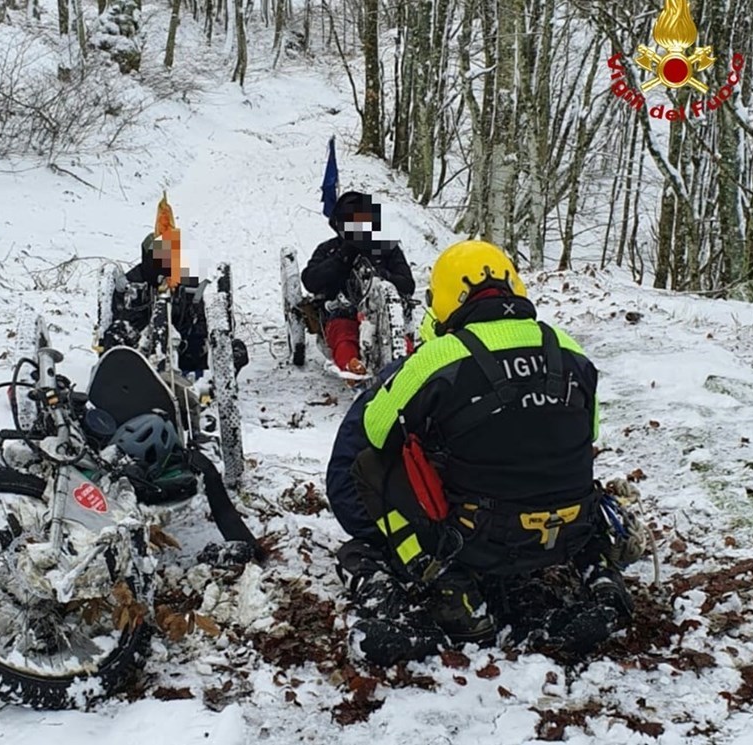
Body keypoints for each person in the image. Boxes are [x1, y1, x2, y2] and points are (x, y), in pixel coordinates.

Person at [326, 239, 641, 666]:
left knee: (370, 465)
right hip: (566, 531)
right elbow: (591, 431)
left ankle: (447, 584)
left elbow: (375, 433)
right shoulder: (569, 349)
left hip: (477, 539)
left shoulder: (437, 358)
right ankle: (600, 574)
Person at [98, 233, 249, 378]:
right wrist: (124, 294)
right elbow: (120, 317)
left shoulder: (188, 280)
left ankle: (212, 387)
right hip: (140, 350)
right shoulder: (132, 280)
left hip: (183, 350)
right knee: (116, 332)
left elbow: (200, 322)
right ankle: (113, 380)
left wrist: (190, 342)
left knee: (231, 349)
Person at [301, 191, 415, 378]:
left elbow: (407, 285)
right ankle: (353, 368)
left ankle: (407, 368)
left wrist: (382, 275)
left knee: (400, 341)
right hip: (342, 314)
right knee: (344, 338)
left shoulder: (387, 248)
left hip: (381, 316)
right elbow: (310, 281)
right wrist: (342, 258)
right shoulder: (329, 249)